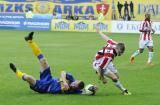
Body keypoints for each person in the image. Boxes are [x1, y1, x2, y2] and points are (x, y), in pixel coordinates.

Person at [9, 32, 97, 94]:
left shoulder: (75, 91)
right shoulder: (71, 79)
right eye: (75, 82)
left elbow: (85, 92)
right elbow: (63, 72)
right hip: (49, 78)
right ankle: (30, 41)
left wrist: (93, 89)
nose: (73, 83)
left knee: (28, 77)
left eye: (75, 85)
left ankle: (17, 72)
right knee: (43, 61)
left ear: (76, 88)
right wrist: (65, 82)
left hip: (44, 87)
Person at [92, 28, 131, 95]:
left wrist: (99, 31)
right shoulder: (109, 56)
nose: (121, 54)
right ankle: (124, 91)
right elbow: (101, 67)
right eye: (121, 52)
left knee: (117, 76)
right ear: (118, 49)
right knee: (114, 78)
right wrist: (103, 78)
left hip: (105, 61)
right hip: (98, 63)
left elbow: (107, 38)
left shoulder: (115, 44)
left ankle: (100, 73)